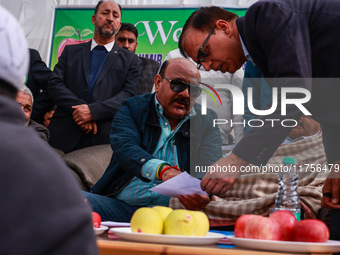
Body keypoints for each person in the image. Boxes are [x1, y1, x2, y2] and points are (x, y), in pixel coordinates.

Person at [178, 2, 340, 213]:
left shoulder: (266, 15)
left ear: (223, 27)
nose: (208, 66)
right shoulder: (262, 51)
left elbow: (295, 91)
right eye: (201, 63)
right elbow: (331, 103)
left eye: (204, 53)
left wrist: (236, 159)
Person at [0, 5, 98, 254]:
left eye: (27, 107)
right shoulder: (44, 169)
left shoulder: (36, 144)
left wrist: (40, 109)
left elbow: (51, 83)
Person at [85, 58, 222, 222]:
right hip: (119, 207)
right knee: (70, 199)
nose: (185, 94)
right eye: (177, 84)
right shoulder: (132, 108)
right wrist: (164, 171)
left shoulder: (206, 121)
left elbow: (208, 168)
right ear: (158, 83)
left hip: (173, 214)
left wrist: (202, 193)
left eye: (193, 90)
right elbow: (125, 148)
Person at [48, 0, 140, 153]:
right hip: (63, 135)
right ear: (93, 19)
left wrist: (93, 112)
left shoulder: (130, 60)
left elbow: (128, 94)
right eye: (105, 13)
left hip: (103, 139)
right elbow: (54, 83)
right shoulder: (71, 51)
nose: (110, 18)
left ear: (119, 23)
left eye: (115, 15)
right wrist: (80, 112)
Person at [163, 48, 244, 146]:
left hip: (217, 144)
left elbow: (240, 111)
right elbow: (158, 99)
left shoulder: (231, 60)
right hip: (174, 143)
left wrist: (241, 150)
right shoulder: (174, 57)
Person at [115, 22, 160, 95]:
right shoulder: (105, 66)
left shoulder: (153, 66)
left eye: (130, 41)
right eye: (122, 40)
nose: (126, 45)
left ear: (136, 45)